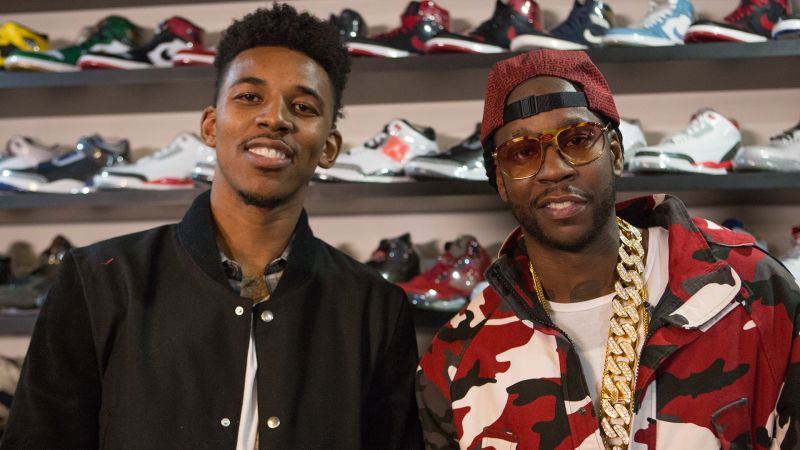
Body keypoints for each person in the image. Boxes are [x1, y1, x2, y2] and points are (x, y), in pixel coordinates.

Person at [3, 5, 422, 449]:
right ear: (210, 125)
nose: (275, 118)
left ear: (329, 147)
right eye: (249, 97)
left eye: (303, 107)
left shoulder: (375, 308)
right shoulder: (99, 281)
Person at [416, 49, 800, 449]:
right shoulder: (457, 355)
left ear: (614, 153)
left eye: (577, 140)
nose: (554, 169)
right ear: (500, 181)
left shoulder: (748, 289)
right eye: (523, 153)